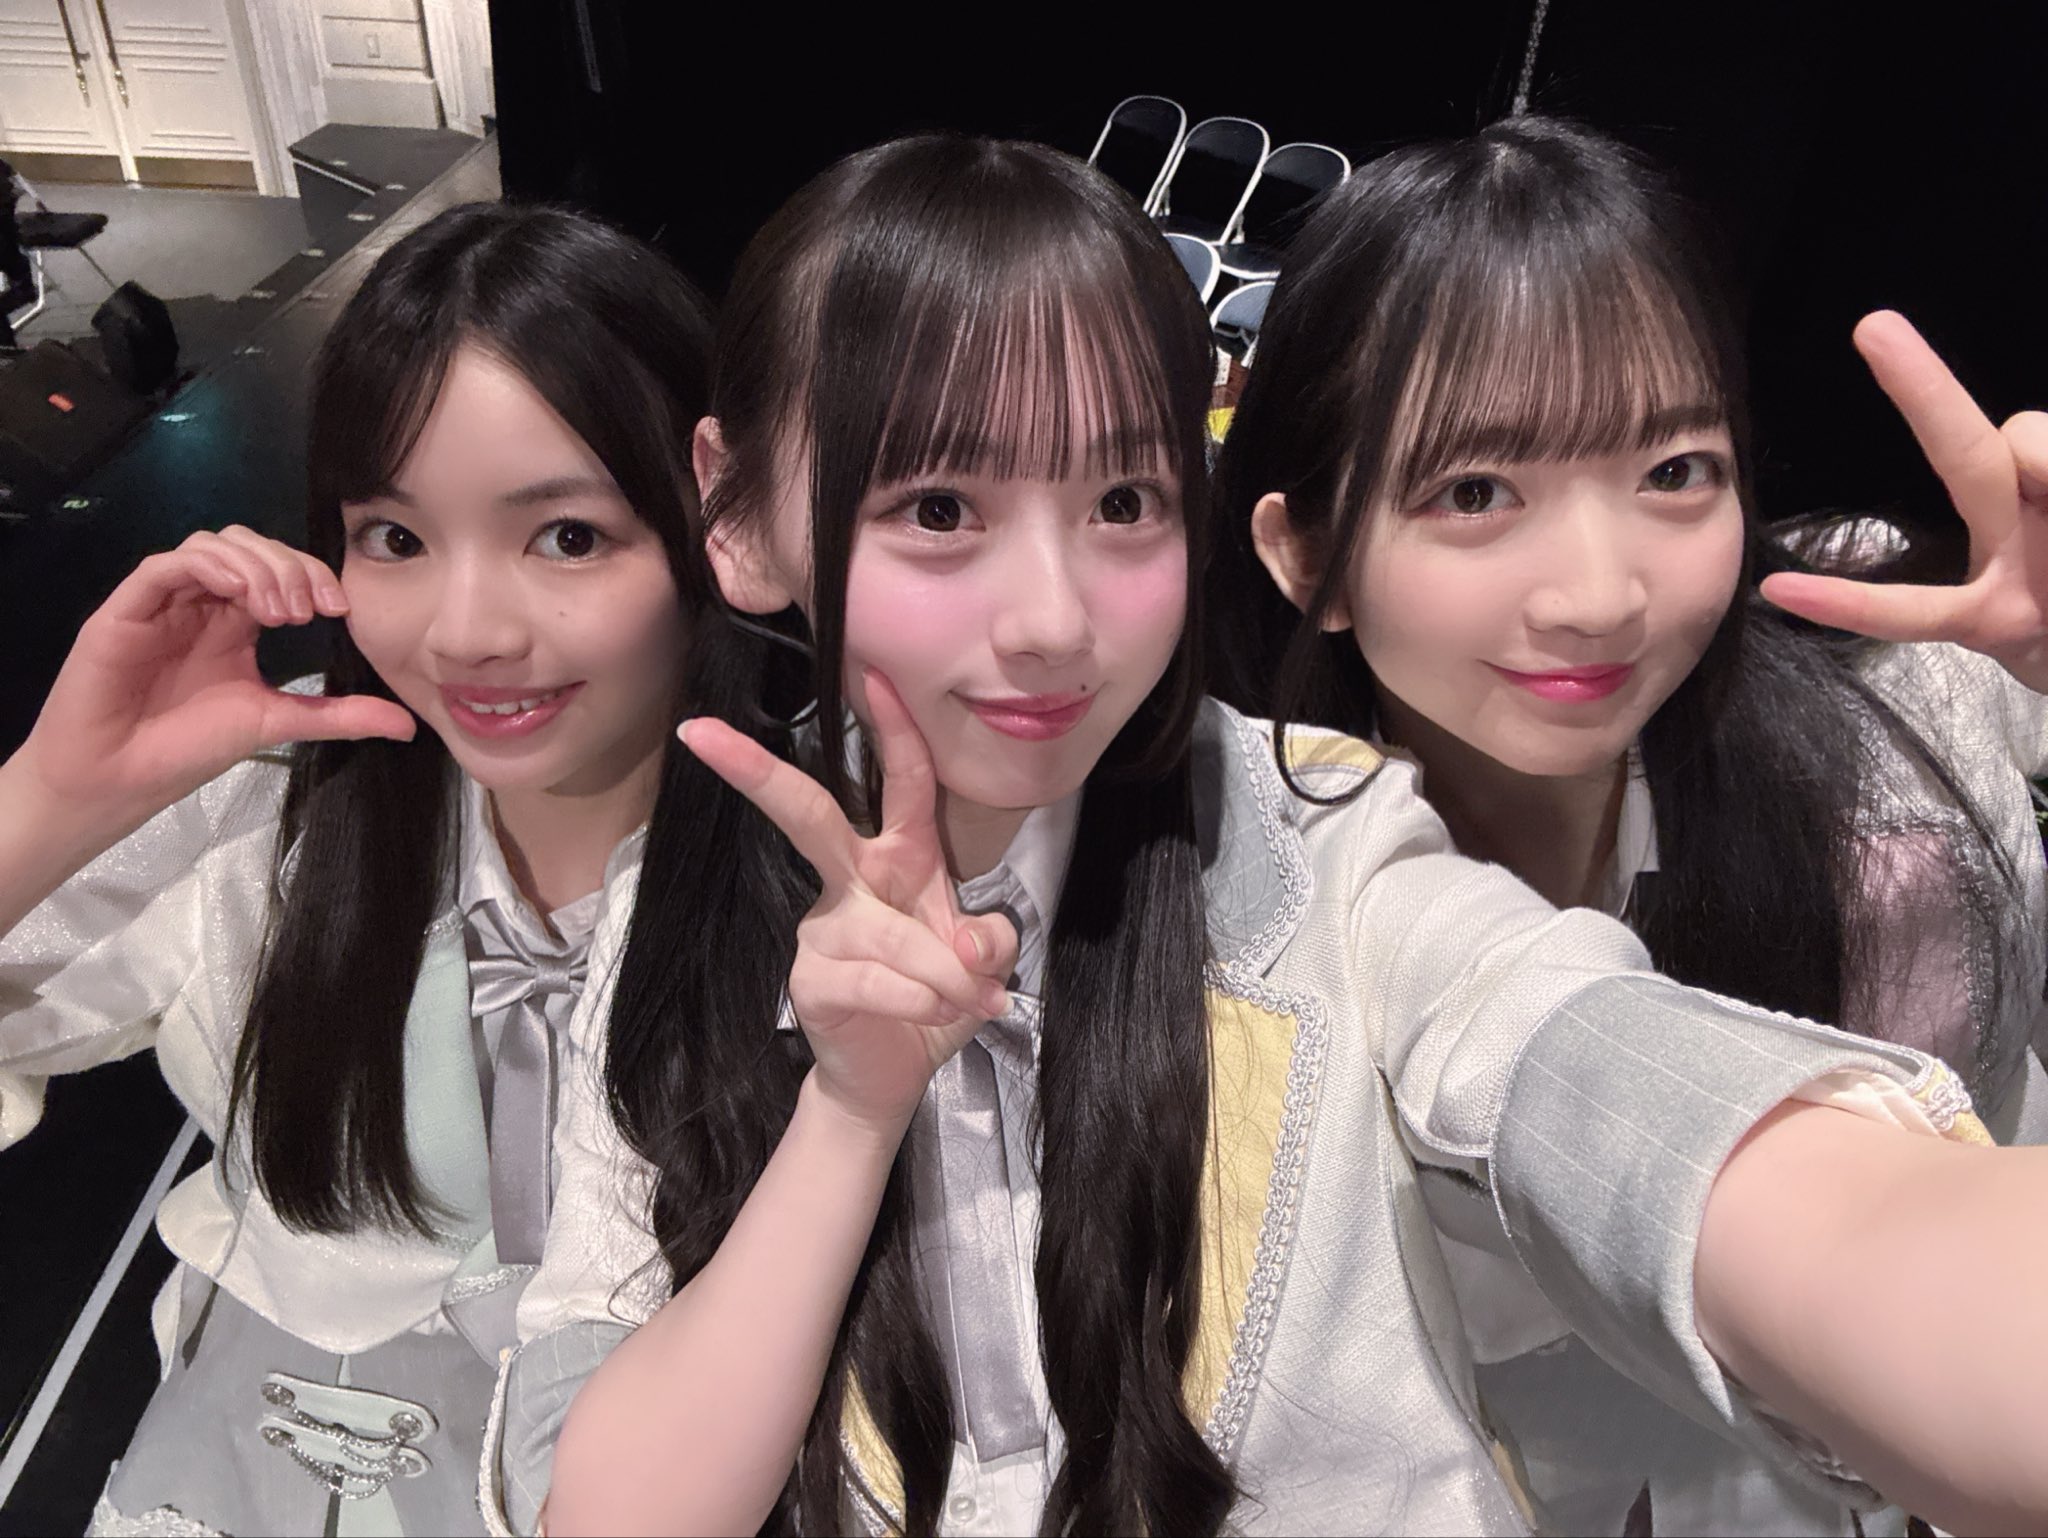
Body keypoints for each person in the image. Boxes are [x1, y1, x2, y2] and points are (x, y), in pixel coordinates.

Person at [495, 137, 2048, 1538]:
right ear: (739, 514)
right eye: (941, 510)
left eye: (1124, 501)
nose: (1053, 622)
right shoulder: (677, 908)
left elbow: (1604, 1078)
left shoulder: (1317, 841)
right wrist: (850, 1105)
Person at [1212, 115, 2048, 1533]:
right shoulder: (1245, 891)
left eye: (1673, 472)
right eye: (1477, 492)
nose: (1600, 595)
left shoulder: (1907, 697)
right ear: (1309, 559)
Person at [0, 201, 716, 1535]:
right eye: (395, 536)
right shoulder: (264, 822)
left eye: (566, 535)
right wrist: (51, 796)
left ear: (711, 526)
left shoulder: (812, 879)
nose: (467, 631)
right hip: (261, 1469)